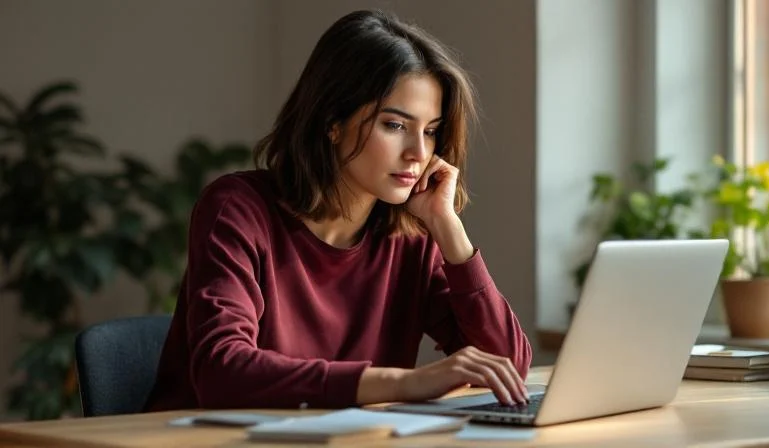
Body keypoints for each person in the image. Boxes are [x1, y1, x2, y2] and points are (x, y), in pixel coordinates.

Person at [144, 9, 532, 412]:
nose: (418, 153)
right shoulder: (238, 210)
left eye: (430, 131)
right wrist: (407, 383)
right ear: (333, 121)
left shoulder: (411, 237)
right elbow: (222, 372)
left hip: (343, 437)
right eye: (395, 125)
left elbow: (507, 366)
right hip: (197, 436)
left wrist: (447, 226)